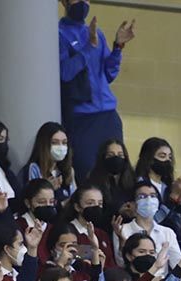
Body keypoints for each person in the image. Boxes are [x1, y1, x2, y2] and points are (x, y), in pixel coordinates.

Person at [58, 0, 136, 180]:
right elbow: (64, 73)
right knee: (88, 174)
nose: (83, 3)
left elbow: (108, 74)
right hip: (82, 118)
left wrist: (118, 47)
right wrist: (87, 49)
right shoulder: (59, 34)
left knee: (116, 173)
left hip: (108, 116)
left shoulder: (96, 34)